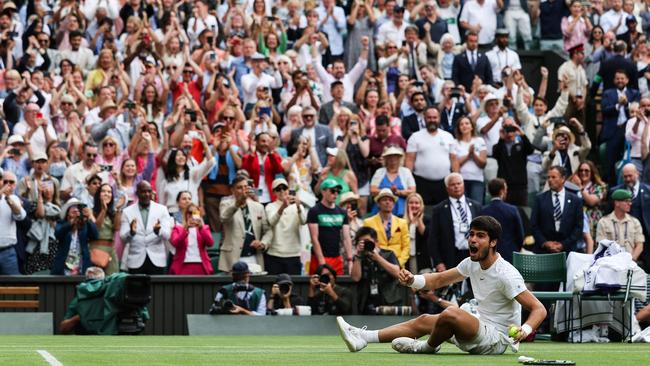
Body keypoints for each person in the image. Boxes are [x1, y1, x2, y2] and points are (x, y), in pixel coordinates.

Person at [336, 215, 547, 355]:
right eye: (471, 234)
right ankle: (363, 337)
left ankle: (426, 347)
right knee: (427, 319)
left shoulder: (506, 274)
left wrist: (525, 329)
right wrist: (413, 280)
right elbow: (438, 279)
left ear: (493, 242)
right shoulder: (470, 263)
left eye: (480, 236)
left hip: (496, 340)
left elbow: (539, 309)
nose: (473, 240)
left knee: (451, 314)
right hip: (477, 325)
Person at [429, 173, 482, 273]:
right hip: (451, 257)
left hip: (473, 254)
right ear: (447, 188)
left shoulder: (476, 206)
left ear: (463, 185)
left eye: (459, 183)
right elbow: (433, 239)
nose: (456, 186)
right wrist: (438, 262)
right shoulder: (439, 209)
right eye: (453, 184)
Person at [218, 176, 272, 272]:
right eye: (239, 188)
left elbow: (268, 231)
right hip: (233, 257)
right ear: (232, 190)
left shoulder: (258, 207)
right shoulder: (226, 203)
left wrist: (263, 243)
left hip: (254, 256)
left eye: (246, 187)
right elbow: (224, 217)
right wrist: (238, 203)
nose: (243, 190)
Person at [120, 182, 173, 275]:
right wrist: (131, 232)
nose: (147, 194)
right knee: (137, 289)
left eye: (149, 191)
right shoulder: (127, 212)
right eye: (143, 192)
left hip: (157, 260)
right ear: (137, 193)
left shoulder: (162, 209)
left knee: (157, 289)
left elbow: (167, 235)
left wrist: (158, 231)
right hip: (135, 261)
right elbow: (122, 237)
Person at [405, 107, 455, 206]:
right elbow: (410, 160)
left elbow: (454, 159)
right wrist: (408, 180)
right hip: (421, 182)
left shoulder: (448, 136)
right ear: (424, 118)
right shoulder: (415, 137)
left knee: (443, 211)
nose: (432, 120)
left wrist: (456, 178)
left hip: (443, 183)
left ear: (439, 118)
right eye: (429, 117)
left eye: (434, 117)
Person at [351, 226, 407, 314]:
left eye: (367, 241)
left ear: (376, 242)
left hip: (389, 303)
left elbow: (397, 273)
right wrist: (358, 256)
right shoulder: (359, 258)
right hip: (367, 304)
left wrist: (378, 258)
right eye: (362, 242)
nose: (365, 244)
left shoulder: (388, 254)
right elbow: (355, 278)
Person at [531, 166, 584, 254]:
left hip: (568, 251)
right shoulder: (539, 199)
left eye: (553, 177)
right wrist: (545, 243)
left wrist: (563, 244)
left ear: (563, 179)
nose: (550, 180)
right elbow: (534, 225)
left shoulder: (576, 200)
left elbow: (578, 227)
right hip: (544, 252)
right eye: (548, 177)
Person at [601, 70, 641, 184]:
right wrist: (618, 105)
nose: (620, 81)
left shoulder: (634, 93)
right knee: (610, 159)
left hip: (631, 132)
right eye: (617, 78)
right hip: (613, 130)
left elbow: (637, 110)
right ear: (614, 80)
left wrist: (627, 104)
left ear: (627, 80)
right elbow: (604, 110)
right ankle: (611, 184)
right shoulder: (608, 93)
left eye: (622, 78)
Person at [307, 178, 353, 275]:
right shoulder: (314, 211)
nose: (335, 194)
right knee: (317, 287)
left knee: (337, 289)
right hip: (319, 257)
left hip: (336, 258)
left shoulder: (342, 212)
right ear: (323, 191)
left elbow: (346, 238)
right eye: (332, 191)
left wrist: (350, 260)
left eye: (338, 191)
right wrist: (322, 263)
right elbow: (314, 238)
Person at [611, 163, 650, 271]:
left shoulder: (648, 190)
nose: (628, 179)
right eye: (625, 176)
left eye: (630, 175)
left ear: (637, 174)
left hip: (646, 239)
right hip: (625, 239)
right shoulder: (615, 192)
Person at [264, 178, 306, 275]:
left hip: (293, 254)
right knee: (274, 287)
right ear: (274, 192)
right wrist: (283, 207)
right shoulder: (270, 206)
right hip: (275, 254)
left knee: (294, 287)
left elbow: (304, 221)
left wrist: (299, 207)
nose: (282, 191)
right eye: (278, 189)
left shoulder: (297, 205)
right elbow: (272, 222)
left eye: (284, 188)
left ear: (288, 189)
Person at [479, 178, 524, 263]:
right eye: (506, 189)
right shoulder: (512, 210)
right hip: (510, 254)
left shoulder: (483, 211)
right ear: (502, 191)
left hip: (489, 254)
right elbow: (520, 235)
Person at [363, 189, 410, 268]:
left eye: (390, 200)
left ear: (394, 204)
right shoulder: (368, 222)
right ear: (378, 203)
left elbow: (406, 247)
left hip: (398, 266)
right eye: (384, 200)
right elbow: (367, 245)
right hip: (377, 264)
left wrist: (398, 263)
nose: (387, 202)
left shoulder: (402, 223)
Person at [493, 117, 534, 206]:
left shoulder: (521, 145)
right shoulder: (499, 146)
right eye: (506, 126)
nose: (509, 128)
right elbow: (496, 154)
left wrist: (521, 134)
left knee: (521, 213)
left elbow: (530, 150)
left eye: (511, 125)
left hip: (520, 186)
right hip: (504, 186)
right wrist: (501, 138)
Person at [52, 198, 98, 276]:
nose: (76, 210)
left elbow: (95, 235)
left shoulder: (85, 225)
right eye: (73, 207)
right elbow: (58, 234)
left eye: (78, 208)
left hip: (81, 265)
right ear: (67, 212)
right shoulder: (61, 224)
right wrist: (71, 223)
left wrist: (89, 217)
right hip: (63, 266)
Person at [596, 189, 644, 262]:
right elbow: (601, 245)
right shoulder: (603, 222)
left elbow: (640, 245)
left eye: (630, 201)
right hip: (610, 263)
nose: (630, 203)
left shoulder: (634, 222)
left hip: (630, 263)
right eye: (626, 201)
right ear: (617, 203)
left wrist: (632, 260)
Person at [450, 116, 488, 204]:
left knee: (476, 207)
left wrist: (473, 154)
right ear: (459, 128)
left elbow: (483, 163)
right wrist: (468, 155)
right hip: (461, 181)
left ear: (471, 126)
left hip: (477, 180)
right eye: (461, 124)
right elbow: (454, 166)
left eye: (467, 123)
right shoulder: (454, 143)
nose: (464, 126)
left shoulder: (480, 141)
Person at [169, 203, 214, 275]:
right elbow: (175, 243)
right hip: (182, 265)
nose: (192, 215)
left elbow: (210, 243)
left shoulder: (204, 228)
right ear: (186, 215)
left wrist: (201, 228)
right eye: (189, 212)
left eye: (195, 212)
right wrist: (186, 229)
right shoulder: (178, 228)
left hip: (201, 265)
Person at [369, 146, 415, 217]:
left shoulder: (406, 172)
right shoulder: (379, 172)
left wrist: (398, 192)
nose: (393, 160)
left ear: (400, 158)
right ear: (386, 159)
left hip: (401, 209)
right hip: (380, 209)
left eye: (396, 157)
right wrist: (388, 191)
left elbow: (413, 191)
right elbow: (372, 190)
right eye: (390, 157)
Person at [90, 183, 123, 276]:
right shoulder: (91, 211)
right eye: (103, 191)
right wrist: (103, 210)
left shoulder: (113, 213)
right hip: (96, 250)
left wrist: (118, 209)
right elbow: (96, 229)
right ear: (98, 194)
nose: (106, 194)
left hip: (110, 251)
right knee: (96, 281)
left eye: (109, 192)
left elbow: (117, 228)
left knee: (112, 280)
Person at [0, 172, 27, 274]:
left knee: (13, 287)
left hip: (8, 252)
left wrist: (8, 199)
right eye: (4, 181)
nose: (7, 184)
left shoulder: (14, 198)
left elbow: (21, 216)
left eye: (11, 182)